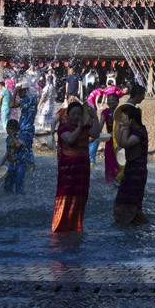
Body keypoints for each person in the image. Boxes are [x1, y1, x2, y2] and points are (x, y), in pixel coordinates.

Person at [52, 99, 100, 233]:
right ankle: (59, 227)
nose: (76, 117)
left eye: (79, 114)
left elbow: (96, 134)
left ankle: (76, 226)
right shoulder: (63, 127)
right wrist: (79, 127)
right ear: (68, 114)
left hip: (82, 170)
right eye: (73, 114)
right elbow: (70, 139)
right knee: (65, 197)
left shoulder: (86, 126)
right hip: (68, 170)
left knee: (80, 197)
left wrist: (94, 117)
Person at [114, 104, 149, 225]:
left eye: (125, 118)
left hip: (137, 171)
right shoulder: (131, 130)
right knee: (122, 198)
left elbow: (125, 143)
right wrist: (119, 125)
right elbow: (119, 141)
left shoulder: (140, 132)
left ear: (132, 119)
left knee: (134, 202)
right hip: (130, 169)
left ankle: (141, 225)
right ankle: (124, 221)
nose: (123, 121)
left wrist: (125, 128)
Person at [2, 119, 30, 195]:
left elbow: (18, 145)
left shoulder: (22, 136)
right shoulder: (8, 139)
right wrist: (1, 164)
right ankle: (9, 200)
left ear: (14, 129)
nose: (7, 131)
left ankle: (21, 200)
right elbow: (8, 152)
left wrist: (12, 135)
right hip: (11, 164)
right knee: (7, 185)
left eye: (8, 129)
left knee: (19, 183)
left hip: (21, 164)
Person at [100, 93, 120, 184]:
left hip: (120, 141)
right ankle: (109, 184)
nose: (110, 101)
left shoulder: (121, 112)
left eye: (113, 100)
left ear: (117, 102)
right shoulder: (105, 112)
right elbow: (100, 127)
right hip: (109, 141)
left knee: (119, 162)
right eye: (108, 100)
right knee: (109, 163)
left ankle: (118, 181)